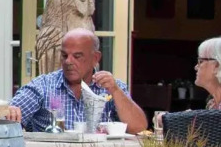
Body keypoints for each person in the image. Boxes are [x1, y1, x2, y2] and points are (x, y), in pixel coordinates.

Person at [11, 28, 147, 134]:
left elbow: (139, 128)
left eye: (77, 56)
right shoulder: (43, 85)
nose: (68, 61)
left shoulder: (111, 88)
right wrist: (9, 111)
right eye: (64, 55)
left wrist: (116, 91)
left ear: (95, 58)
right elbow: (8, 117)